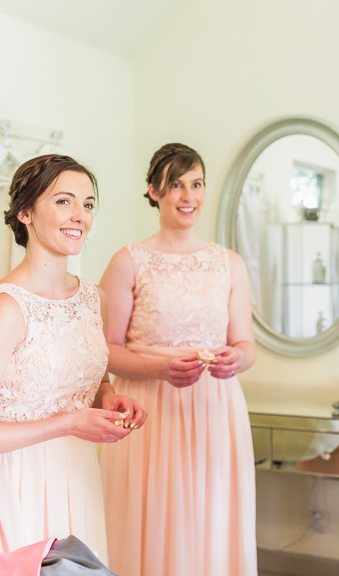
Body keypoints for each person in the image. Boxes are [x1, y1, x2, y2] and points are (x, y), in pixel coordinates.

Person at [0, 155, 147, 562]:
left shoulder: (94, 299)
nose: (79, 216)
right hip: (16, 487)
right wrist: (69, 423)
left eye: (88, 204)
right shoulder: (4, 308)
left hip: (78, 477)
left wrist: (109, 398)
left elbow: (95, 380)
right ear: (25, 212)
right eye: (63, 201)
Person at [98, 143, 258, 576]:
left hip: (215, 409)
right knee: (151, 516)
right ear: (154, 191)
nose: (189, 196)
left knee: (211, 516)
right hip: (150, 409)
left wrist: (236, 360)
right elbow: (105, 349)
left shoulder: (230, 263)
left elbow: (245, 343)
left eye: (197, 184)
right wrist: (159, 369)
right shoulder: (128, 261)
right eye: (176, 185)